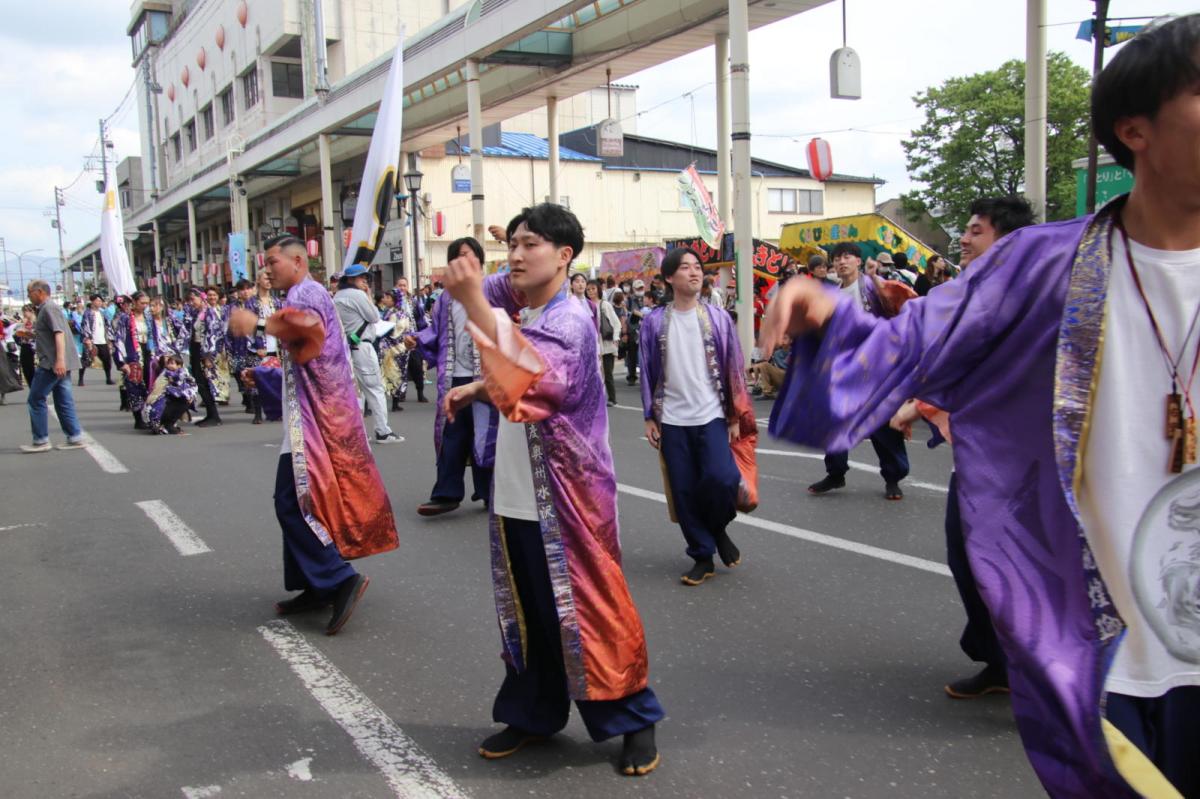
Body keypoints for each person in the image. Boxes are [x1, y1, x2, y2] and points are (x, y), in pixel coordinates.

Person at [761, 16, 1200, 797]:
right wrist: (827, 317)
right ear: (1135, 129)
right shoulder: (1044, 265)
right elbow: (912, 344)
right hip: (1110, 647)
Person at [441, 203, 663, 775]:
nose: (516, 255)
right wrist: (478, 387)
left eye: (530, 244)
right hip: (519, 488)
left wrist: (473, 303)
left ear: (565, 256)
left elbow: (534, 384)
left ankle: (634, 717)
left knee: (589, 609)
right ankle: (533, 713)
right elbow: (507, 350)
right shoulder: (531, 306)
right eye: (512, 244)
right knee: (531, 610)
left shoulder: (571, 320)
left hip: (570, 499)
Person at [890, 194, 1036, 702]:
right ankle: (1002, 660)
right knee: (967, 554)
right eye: (967, 230)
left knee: (1013, 565)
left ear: (1007, 241)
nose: (964, 240)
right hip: (979, 456)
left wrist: (920, 405)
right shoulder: (975, 293)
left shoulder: (1026, 299)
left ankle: (1039, 667)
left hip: (1024, 462)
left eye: (977, 231)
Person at [237, 234, 399, 636]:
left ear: (297, 261)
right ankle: (314, 584)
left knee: (293, 503)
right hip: (312, 413)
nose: (267, 269)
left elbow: (307, 334)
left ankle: (337, 578)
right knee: (299, 501)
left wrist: (257, 323)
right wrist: (265, 374)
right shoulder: (303, 294)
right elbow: (306, 354)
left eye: (272, 261)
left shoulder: (306, 294)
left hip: (318, 419)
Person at [639, 247, 756, 585]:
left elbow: (733, 366)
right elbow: (647, 369)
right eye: (685, 267)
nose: (694, 272)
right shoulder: (653, 322)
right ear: (669, 277)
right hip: (672, 419)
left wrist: (734, 415)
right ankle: (702, 555)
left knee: (722, 478)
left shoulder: (718, 318)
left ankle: (717, 528)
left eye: (697, 267)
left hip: (712, 415)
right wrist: (649, 416)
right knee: (684, 491)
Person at [807, 242, 915, 500]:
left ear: (858, 261)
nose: (842, 262)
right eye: (837, 259)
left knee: (882, 426)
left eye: (847, 257)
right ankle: (836, 473)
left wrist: (876, 277)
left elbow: (899, 305)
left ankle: (893, 477)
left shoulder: (872, 287)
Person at [413, 237, 498, 516]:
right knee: (452, 436)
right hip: (454, 377)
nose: (463, 260)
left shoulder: (492, 288)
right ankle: (446, 493)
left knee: (485, 435)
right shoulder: (446, 297)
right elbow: (435, 332)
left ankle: (489, 492)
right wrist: (417, 339)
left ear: (479, 258)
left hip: (486, 378)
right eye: (457, 256)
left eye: (467, 254)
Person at [333, 264, 402, 444]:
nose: (365, 280)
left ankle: (358, 432)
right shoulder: (357, 295)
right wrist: (368, 295)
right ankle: (383, 431)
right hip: (362, 347)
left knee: (356, 392)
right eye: (361, 277)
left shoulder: (338, 295)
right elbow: (374, 316)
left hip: (347, 347)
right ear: (350, 279)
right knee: (374, 388)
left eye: (366, 277)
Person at [19, 280, 85, 453]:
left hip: (52, 363)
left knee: (35, 399)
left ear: (39, 292)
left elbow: (59, 333)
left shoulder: (49, 308)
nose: (28, 296)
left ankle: (41, 439)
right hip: (56, 361)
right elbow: (49, 334)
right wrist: (31, 334)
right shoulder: (46, 309)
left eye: (29, 292)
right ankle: (74, 436)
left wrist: (60, 360)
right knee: (63, 399)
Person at [179, 287, 224, 426]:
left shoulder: (209, 312)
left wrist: (208, 355)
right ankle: (210, 414)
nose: (191, 302)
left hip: (204, 351)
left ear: (201, 297)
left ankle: (214, 416)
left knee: (206, 382)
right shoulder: (195, 312)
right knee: (200, 382)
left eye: (193, 299)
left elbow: (213, 335)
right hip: (195, 348)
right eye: (189, 300)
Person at [112, 291, 156, 429]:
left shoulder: (148, 317)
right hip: (133, 354)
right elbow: (119, 340)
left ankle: (150, 416)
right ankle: (138, 419)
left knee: (150, 384)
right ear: (134, 302)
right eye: (142, 303)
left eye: (147, 303)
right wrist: (121, 362)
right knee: (134, 385)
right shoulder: (125, 318)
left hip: (148, 352)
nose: (145, 306)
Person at [391, 275, 428, 407]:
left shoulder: (413, 301)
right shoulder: (394, 302)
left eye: (404, 285)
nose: (402, 288)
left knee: (417, 366)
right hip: (398, 339)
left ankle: (420, 392)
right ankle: (401, 393)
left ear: (407, 287)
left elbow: (420, 320)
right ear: (396, 286)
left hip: (413, 338)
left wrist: (420, 335)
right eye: (400, 285)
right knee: (400, 368)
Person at [143, 352, 197, 435]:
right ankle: (166, 425)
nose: (169, 365)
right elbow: (160, 391)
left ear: (179, 365)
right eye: (168, 363)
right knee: (181, 399)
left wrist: (191, 395)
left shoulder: (183, 373)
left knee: (186, 399)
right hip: (157, 405)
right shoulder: (166, 374)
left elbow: (192, 385)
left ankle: (168, 424)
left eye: (172, 363)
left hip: (168, 402)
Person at [589, 279, 620, 406]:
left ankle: (612, 398)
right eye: (588, 289)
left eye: (593, 288)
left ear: (598, 290)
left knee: (607, 373)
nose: (591, 291)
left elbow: (616, 323)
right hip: (592, 344)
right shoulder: (584, 305)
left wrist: (616, 337)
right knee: (593, 374)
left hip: (606, 343)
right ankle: (596, 399)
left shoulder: (605, 305)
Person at [81, 294, 114, 387]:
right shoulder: (87, 313)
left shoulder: (102, 313)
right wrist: (87, 339)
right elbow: (85, 326)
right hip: (91, 341)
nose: (99, 303)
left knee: (107, 360)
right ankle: (81, 379)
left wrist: (110, 339)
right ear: (92, 301)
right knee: (86, 360)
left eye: (100, 301)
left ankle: (108, 378)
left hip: (102, 340)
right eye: (97, 301)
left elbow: (108, 326)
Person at [625, 280, 647, 384]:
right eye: (638, 288)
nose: (640, 290)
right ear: (633, 289)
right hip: (633, 331)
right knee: (632, 355)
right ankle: (632, 376)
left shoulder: (647, 298)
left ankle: (645, 376)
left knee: (645, 354)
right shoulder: (629, 300)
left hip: (645, 330)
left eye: (641, 288)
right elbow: (625, 315)